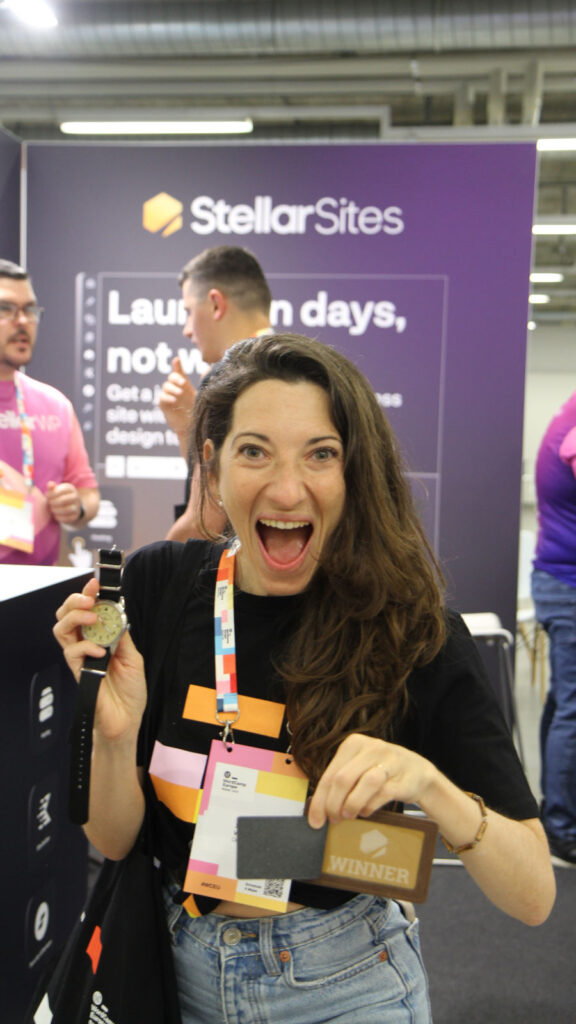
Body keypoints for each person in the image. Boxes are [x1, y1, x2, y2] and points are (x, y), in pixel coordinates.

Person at [54, 334, 555, 1024]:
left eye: (321, 455)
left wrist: (429, 786)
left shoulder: (412, 633)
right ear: (212, 464)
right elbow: (113, 842)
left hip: (341, 981)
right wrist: (114, 733)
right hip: (171, 968)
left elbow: (534, 895)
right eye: (254, 451)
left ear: (355, 471)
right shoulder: (157, 587)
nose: (287, 489)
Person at [158, 245, 273, 541]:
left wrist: (146, 575)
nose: (186, 329)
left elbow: (203, 522)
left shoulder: (224, 378)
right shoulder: (292, 370)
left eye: (187, 312)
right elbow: (219, 481)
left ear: (215, 304)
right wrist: (190, 427)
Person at [0, 259, 99, 565]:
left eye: (29, 310)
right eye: (6, 308)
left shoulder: (54, 404)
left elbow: (87, 493)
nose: (22, 321)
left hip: (38, 597)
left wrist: (75, 506)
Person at [531, 391, 576, 865]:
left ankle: (554, 812)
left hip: (557, 580)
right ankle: (562, 826)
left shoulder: (568, 412)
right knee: (573, 709)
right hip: (568, 584)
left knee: (564, 701)